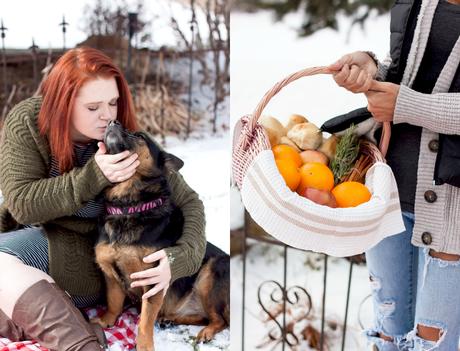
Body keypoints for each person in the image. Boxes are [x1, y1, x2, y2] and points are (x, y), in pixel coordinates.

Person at [0, 47, 206, 350]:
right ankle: (79, 331)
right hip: (36, 236)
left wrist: (179, 259)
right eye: (93, 107)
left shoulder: (122, 140)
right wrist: (94, 175)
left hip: (98, 259)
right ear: (62, 104)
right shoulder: (29, 123)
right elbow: (22, 203)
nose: (108, 115)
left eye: (112, 102)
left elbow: (190, 202)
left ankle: (81, 345)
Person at [329, 0, 460, 350]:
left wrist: (409, 106)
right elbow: (411, 72)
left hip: (453, 211)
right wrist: (371, 69)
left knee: (434, 344)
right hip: (389, 193)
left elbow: (411, 99)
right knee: (389, 336)